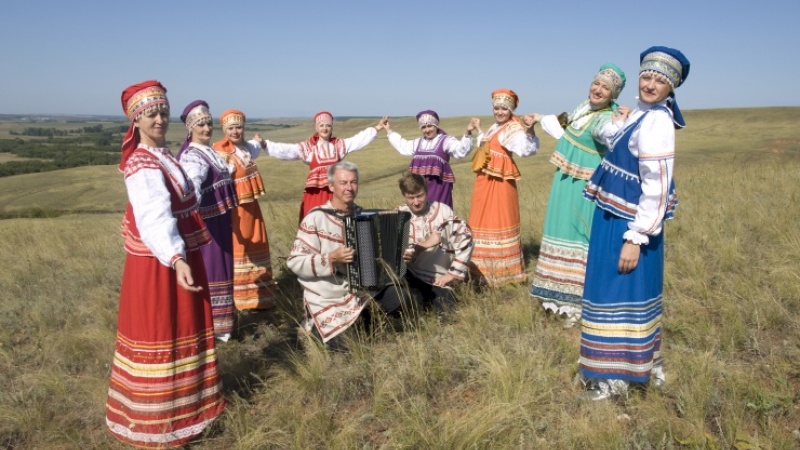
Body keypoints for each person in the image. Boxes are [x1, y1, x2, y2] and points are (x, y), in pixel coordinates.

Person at [106, 80, 224, 447]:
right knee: (163, 329)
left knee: (182, 329)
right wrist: (176, 258)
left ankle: (188, 409)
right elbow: (154, 216)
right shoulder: (142, 163)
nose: (159, 119)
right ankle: (159, 420)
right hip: (160, 265)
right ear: (136, 120)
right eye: (150, 114)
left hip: (176, 259)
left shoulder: (165, 155)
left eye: (163, 112)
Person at [579, 46, 690, 400]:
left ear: (671, 87)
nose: (650, 84)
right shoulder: (643, 113)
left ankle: (616, 376)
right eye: (646, 76)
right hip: (616, 216)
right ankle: (638, 366)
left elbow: (656, 185)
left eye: (660, 80)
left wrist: (636, 237)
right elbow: (617, 143)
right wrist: (618, 122)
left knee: (619, 292)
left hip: (629, 224)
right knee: (618, 292)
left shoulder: (658, 121)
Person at [529, 64, 626, 328]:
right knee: (558, 231)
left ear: (613, 94)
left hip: (582, 188)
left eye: (606, 88)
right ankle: (558, 298)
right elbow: (565, 131)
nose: (598, 89)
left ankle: (577, 304)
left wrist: (618, 124)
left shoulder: (606, 118)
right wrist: (539, 117)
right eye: (597, 83)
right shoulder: (583, 108)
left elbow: (605, 133)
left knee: (576, 236)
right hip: (565, 182)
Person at [287, 161, 418, 346]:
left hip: (363, 290)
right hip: (328, 294)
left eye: (353, 182)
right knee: (344, 346)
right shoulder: (315, 218)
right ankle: (315, 329)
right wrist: (331, 258)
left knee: (403, 300)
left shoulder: (364, 216)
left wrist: (401, 252)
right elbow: (294, 262)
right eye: (343, 183)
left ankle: (365, 319)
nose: (349, 188)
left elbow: (379, 255)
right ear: (331, 186)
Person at [177, 100, 239, 341]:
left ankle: (221, 326)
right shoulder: (193, 157)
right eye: (200, 125)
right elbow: (192, 187)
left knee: (223, 270)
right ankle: (210, 327)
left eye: (208, 123)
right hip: (208, 228)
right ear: (190, 128)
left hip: (220, 224)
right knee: (212, 272)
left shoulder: (209, 151)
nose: (206, 129)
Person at [255, 111, 385, 222]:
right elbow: (289, 150)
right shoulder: (309, 147)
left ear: (332, 128)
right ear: (316, 128)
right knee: (315, 218)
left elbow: (357, 140)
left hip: (336, 189)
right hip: (316, 191)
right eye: (321, 125)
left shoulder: (339, 145)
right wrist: (265, 144)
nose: (325, 128)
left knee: (338, 218)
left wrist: (377, 128)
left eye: (328, 125)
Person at [467, 89, 539, 286]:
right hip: (484, 180)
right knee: (482, 219)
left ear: (511, 109)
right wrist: (479, 130)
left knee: (499, 218)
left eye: (504, 109)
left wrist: (530, 130)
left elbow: (526, 149)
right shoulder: (494, 127)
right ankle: (480, 269)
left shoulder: (513, 128)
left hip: (500, 183)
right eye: (496, 108)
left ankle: (503, 272)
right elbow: (489, 145)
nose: (499, 112)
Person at [212, 109, 277, 311]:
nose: (235, 131)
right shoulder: (221, 151)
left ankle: (260, 296)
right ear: (224, 129)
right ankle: (241, 299)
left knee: (256, 244)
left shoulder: (247, 147)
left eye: (238, 127)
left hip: (251, 208)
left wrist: (259, 140)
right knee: (241, 249)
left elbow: (255, 147)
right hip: (235, 210)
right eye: (230, 128)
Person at [397, 171, 473, 315]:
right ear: (404, 196)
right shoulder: (398, 216)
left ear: (426, 191)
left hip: (440, 278)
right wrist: (404, 255)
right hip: (410, 275)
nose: (416, 201)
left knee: (447, 309)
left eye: (419, 195)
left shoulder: (442, 211)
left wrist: (452, 274)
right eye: (411, 197)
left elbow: (465, 237)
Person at [381, 110, 476, 208]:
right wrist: (389, 130)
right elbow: (403, 146)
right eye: (423, 127)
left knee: (439, 215)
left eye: (429, 126)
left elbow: (461, 151)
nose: (427, 130)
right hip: (419, 191)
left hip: (439, 189)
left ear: (436, 126)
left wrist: (468, 132)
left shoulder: (446, 141)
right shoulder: (418, 143)